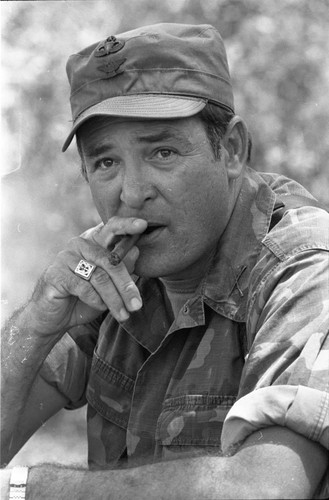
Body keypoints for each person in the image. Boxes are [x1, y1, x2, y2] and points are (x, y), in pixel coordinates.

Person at [1, 22, 328, 499]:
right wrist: (37, 323)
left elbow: (264, 489)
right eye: (105, 162)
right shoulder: (109, 271)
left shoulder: (302, 268)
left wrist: (27, 490)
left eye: (163, 151)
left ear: (232, 149)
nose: (131, 194)